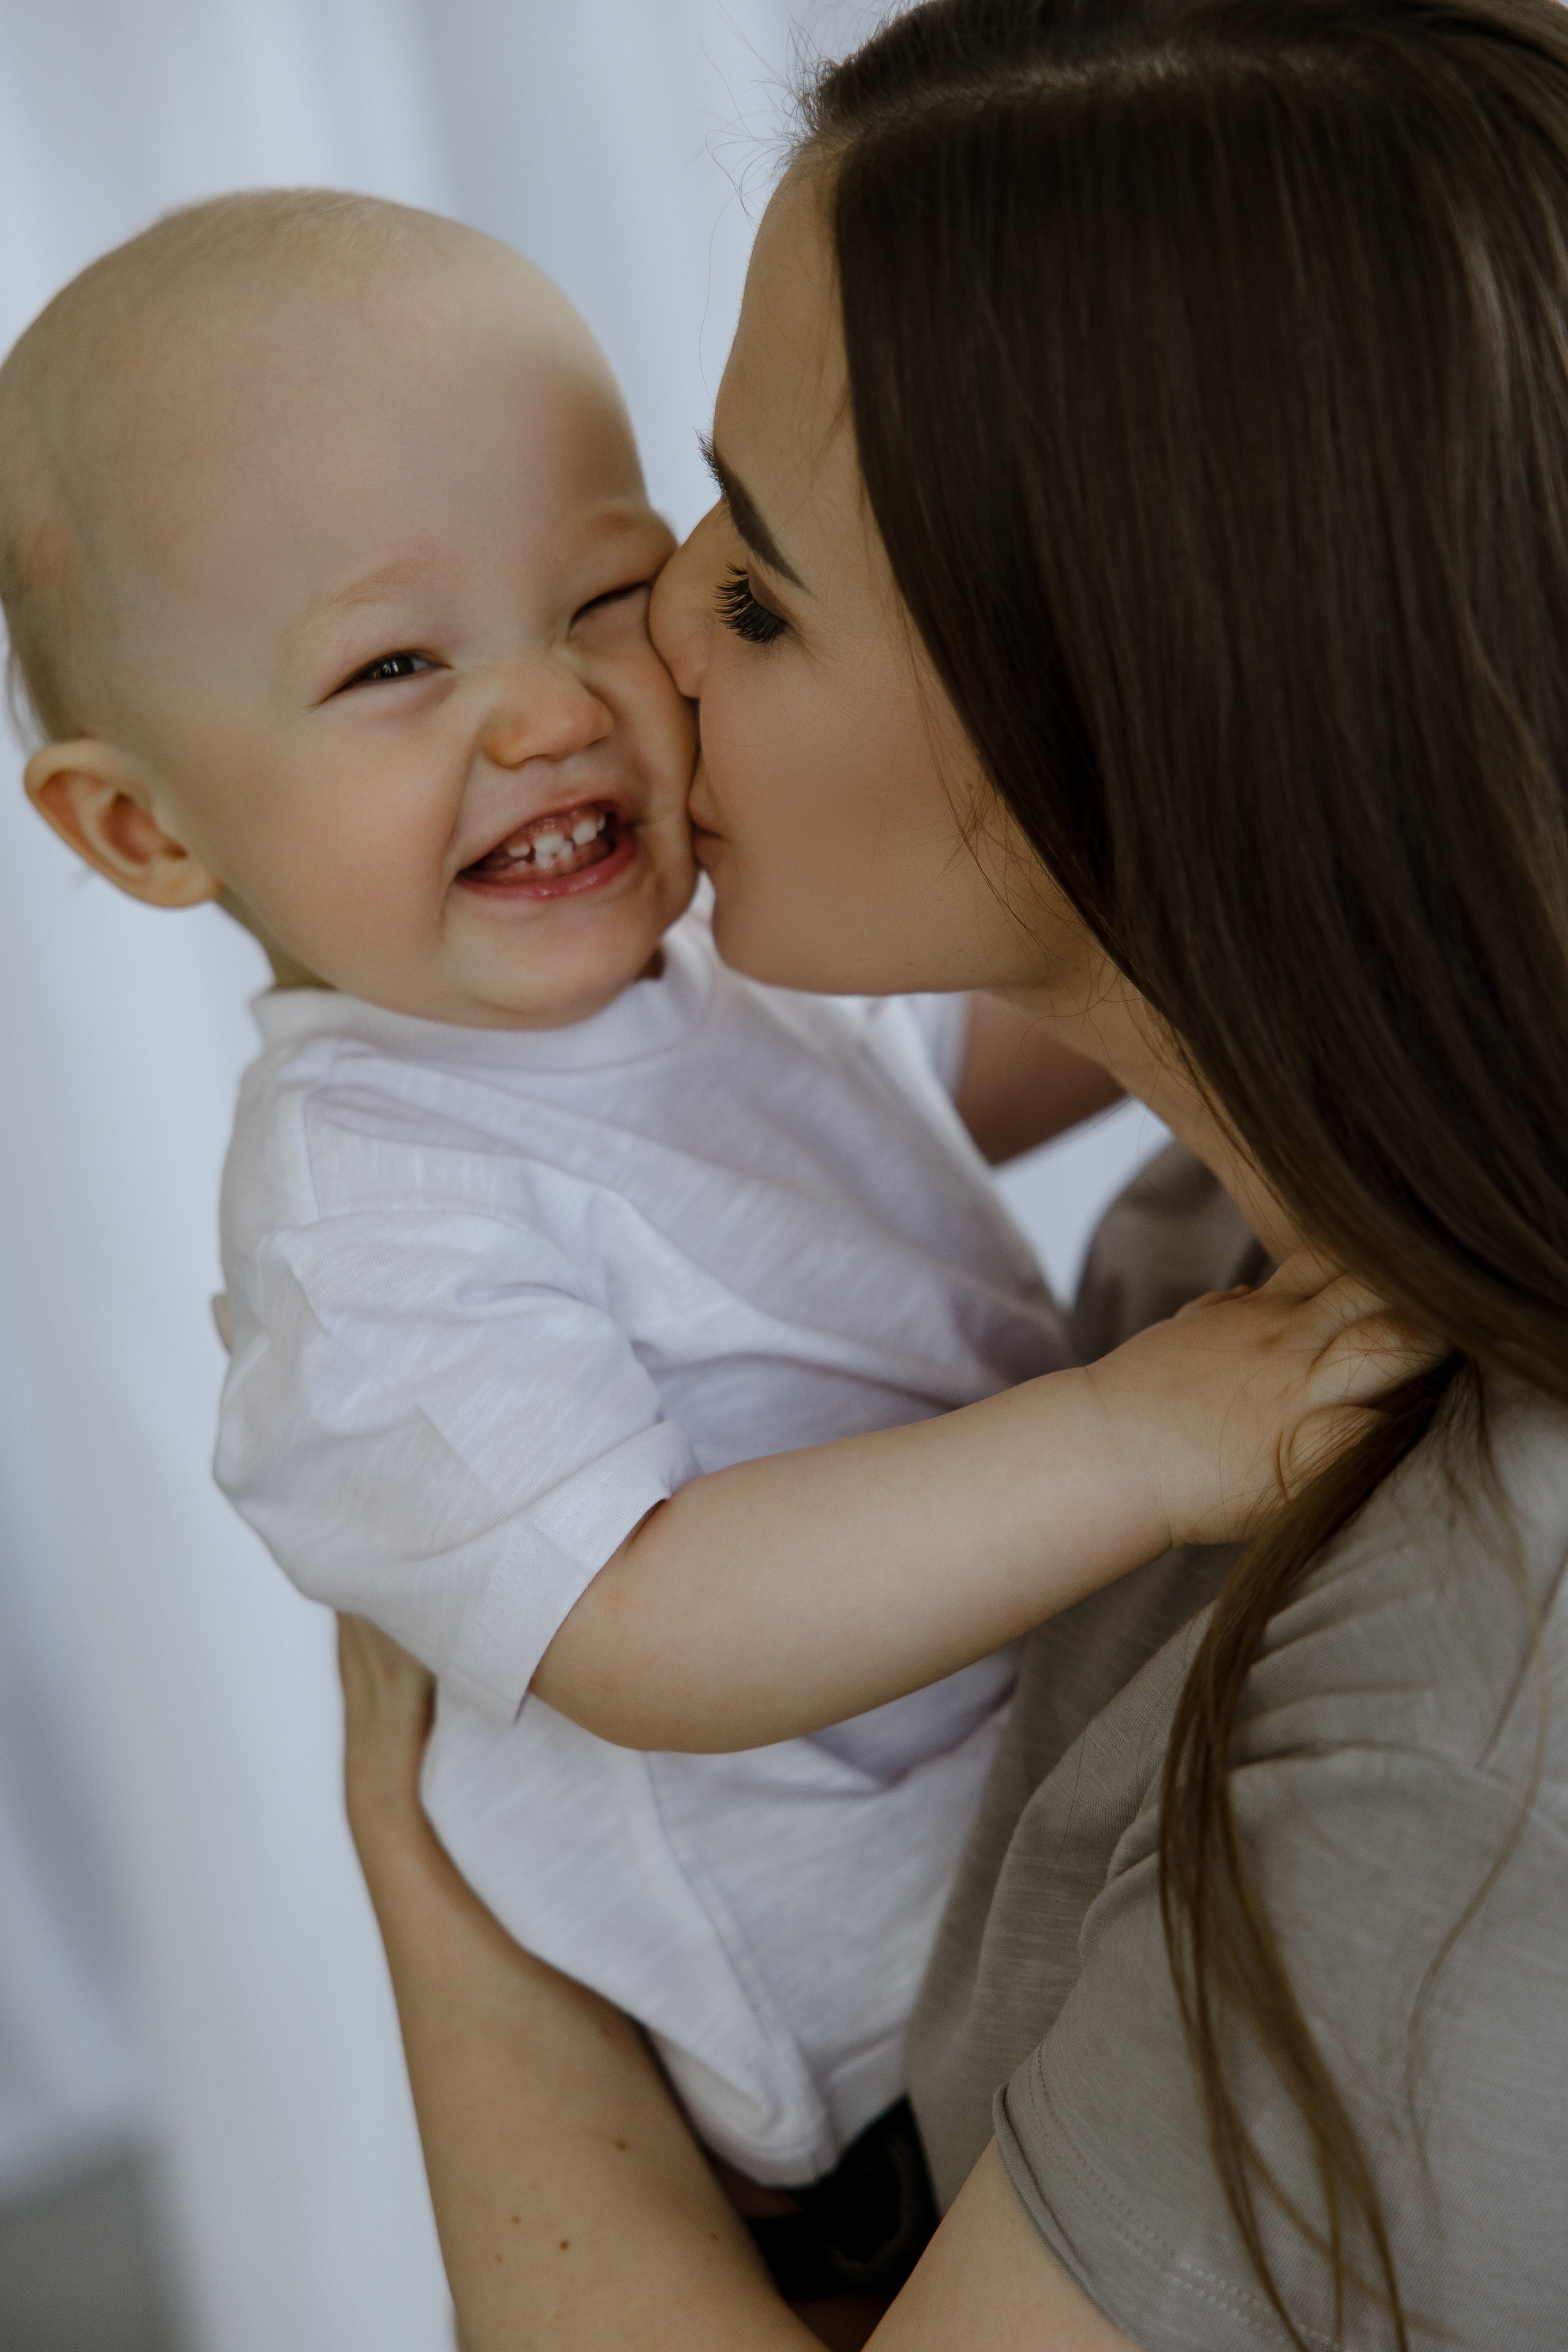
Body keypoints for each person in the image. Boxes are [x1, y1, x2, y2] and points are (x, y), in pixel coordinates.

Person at [0, 186, 1406, 2293]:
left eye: (599, 594)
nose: (549, 709)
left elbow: (982, 1053)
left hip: (1040, 1848)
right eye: (396, 663)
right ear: (150, 829)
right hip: (875, 2087)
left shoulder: (675, 981)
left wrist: (1247, 939)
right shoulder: (367, 1215)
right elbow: (640, 1626)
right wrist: (1141, 1441)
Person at [336, 0, 1568, 2345]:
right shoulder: (1243, 1222)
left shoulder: (1473, 1748)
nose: (649, 636)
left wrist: (449, 1911)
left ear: (1152, 729)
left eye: (763, 594)